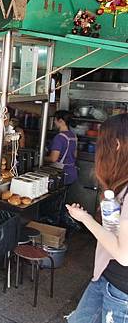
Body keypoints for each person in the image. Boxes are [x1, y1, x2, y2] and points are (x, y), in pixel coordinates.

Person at [66, 114, 128, 323]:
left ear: (117, 145)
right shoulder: (122, 184)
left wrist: (85, 219)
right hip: (106, 276)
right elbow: (114, 231)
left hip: (122, 291)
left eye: (104, 143)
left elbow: (123, 254)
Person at [45, 110, 78, 186]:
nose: (54, 122)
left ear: (61, 121)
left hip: (61, 174)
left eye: (55, 120)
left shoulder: (59, 137)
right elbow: (75, 155)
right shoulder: (74, 136)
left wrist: (40, 157)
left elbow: (53, 159)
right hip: (72, 172)